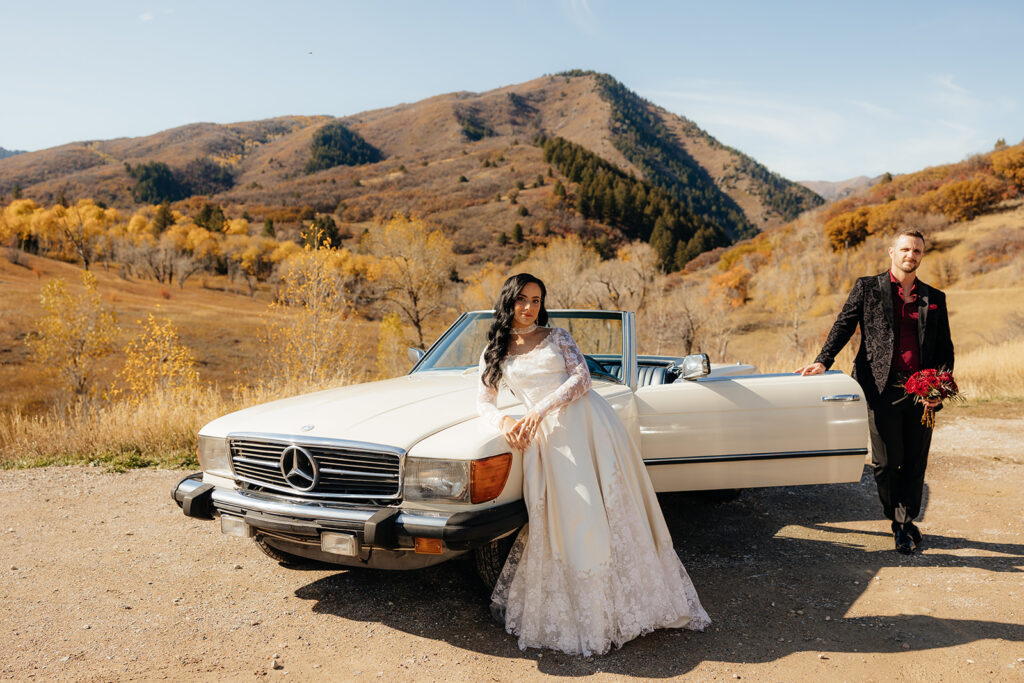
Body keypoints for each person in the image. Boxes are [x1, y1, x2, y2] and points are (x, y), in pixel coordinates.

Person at [475, 273, 709, 656]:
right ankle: (585, 612)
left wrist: (537, 410)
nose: (529, 307)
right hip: (547, 443)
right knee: (566, 519)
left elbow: (582, 378)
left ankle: (628, 606)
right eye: (521, 300)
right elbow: (483, 402)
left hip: (585, 426)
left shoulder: (557, 336)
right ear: (508, 302)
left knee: (603, 511)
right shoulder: (494, 351)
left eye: (536, 299)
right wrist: (502, 421)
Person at [796, 229, 954, 554]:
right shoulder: (867, 288)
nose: (911, 255)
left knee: (915, 461)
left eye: (917, 251)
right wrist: (823, 361)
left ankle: (903, 522)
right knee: (886, 461)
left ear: (922, 256)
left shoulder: (934, 297)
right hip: (879, 387)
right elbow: (844, 324)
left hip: (922, 393)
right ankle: (898, 517)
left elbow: (944, 348)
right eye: (906, 249)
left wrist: (940, 385)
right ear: (892, 252)